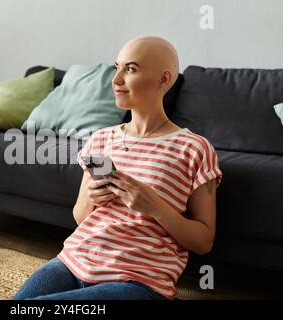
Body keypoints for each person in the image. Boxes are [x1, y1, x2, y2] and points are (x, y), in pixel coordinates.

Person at [12, 35, 223, 300]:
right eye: (117, 67)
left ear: (164, 79)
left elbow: (204, 241)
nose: (116, 80)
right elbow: (80, 217)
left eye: (131, 69)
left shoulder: (195, 149)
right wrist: (90, 197)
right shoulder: (101, 139)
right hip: (72, 262)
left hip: (137, 281)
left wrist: (154, 206)